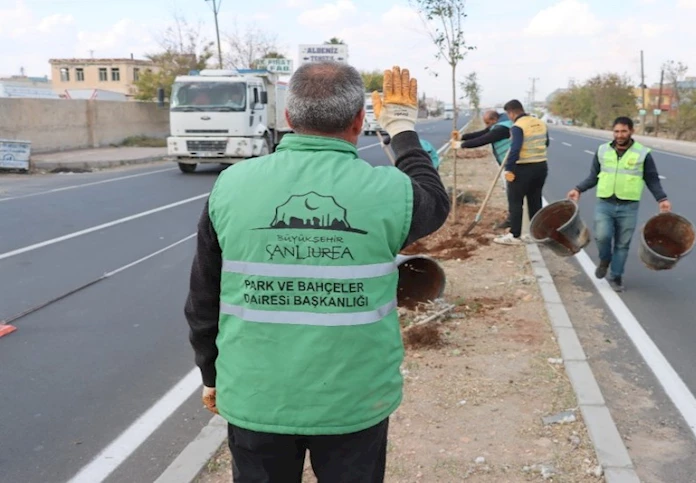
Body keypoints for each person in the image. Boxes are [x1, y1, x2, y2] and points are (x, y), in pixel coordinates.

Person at [184, 62, 450, 483]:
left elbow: (203, 297)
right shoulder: (390, 191)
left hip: (256, 396)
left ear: (289, 118)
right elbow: (435, 199)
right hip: (354, 402)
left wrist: (211, 374)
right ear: (360, 120)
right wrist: (401, 129)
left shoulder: (231, 185)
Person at [567, 116, 671, 292]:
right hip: (605, 203)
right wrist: (578, 189)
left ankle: (616, 276)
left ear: (631, 131)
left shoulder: (643, 153)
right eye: (616, 131)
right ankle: (605, 259)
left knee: (623, 244)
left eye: (623, 131)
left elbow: (652, 179)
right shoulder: (602, 150)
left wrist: (662, 199)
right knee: (603, 236)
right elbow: (594, 176)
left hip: (628, 206)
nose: (620, 135)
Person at [492, 99, 550, 246]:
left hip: (523, 168)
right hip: (541, 166)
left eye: (509, 114)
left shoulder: (518, 126)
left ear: (511, 112)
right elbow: (546, 142)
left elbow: (515, 149)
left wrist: (509, 168)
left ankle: (514, 234)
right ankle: (536, 234)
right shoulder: (540, 123)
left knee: (515, 202)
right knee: (535, 201)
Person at [450, 109, 514, 228]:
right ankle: (515, 217)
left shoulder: (502, 128)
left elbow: (483, 139)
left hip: (511, 164)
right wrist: (461, 137)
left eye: (488, 122)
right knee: (512, 191)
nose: (486, 125)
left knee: (512, 192)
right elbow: (482, 133)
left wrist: (461, 145)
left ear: (494, 120)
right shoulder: (499, 124)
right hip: (507, 163)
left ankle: (513, 220)